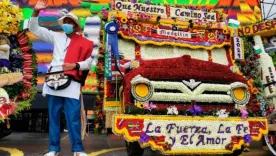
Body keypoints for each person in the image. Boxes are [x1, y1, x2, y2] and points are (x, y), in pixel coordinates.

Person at [28, 0, 93, 156]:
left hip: (71, 84)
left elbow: (89, 62)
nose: (67, 24)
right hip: (53, 82)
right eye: (66, 22)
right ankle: (53, 149)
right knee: (54, 117)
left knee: (73, 119)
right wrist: (36, 11)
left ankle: (77, 150)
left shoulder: (85, 43)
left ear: (76, 26)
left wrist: (75, 65)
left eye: (70, 22)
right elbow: (34, 28)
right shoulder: (56, 37)